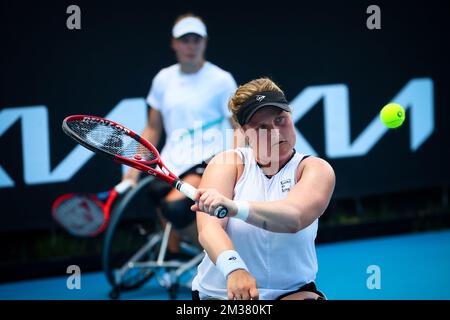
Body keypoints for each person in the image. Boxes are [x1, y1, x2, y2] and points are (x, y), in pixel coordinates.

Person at [190, 77, 336, 300]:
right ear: (244, 132)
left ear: (290, 115)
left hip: (290, 293)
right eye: (262, 127)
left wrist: (233, 207)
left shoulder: (315, 169)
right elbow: (209, 229)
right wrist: (234, 269)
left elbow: (294, 218)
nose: (276, 132)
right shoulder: (226, 164)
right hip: (222, 294)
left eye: (280, 119)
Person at [123, 13, 238, 253]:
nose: (191, 46)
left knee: (175, 209)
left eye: (196, 40)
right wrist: (131, 174)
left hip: (207, 162)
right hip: (169, 163)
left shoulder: (222, 80)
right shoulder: (163, 79)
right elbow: (153, 129)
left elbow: (238, 127)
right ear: (174, 43)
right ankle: (177, 260)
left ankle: (222, 257)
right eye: (185, 40)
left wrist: (236, 166)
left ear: (204, 43)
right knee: (162, 210)